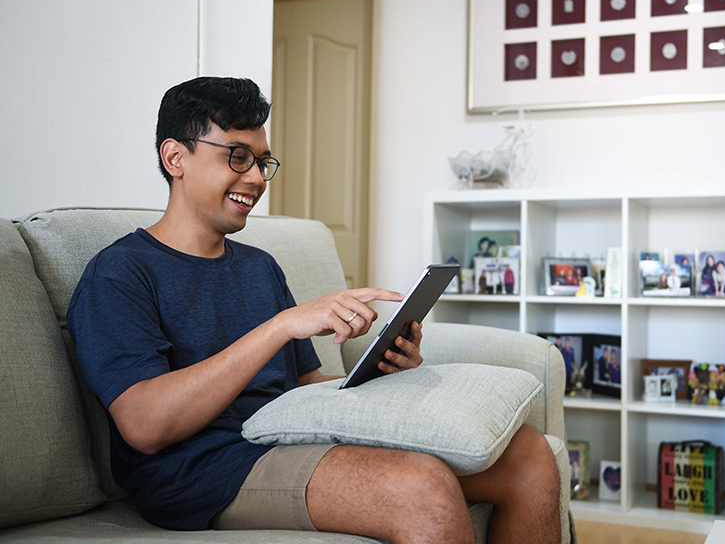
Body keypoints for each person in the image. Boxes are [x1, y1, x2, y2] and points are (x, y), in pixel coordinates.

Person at [66, 77, 560, 543]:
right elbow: (145, 426)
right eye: (238, 157)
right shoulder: (119, 273)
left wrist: (387, 371)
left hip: (284, 440)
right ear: (175, 157)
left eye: (263, 161)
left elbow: (304, 390)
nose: (257, 178)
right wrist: (280, 327)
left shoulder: (259, 267)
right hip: (200, 470)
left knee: (529, 455)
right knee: (419, 487)